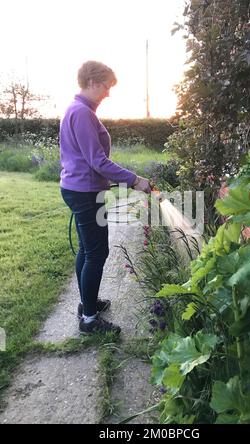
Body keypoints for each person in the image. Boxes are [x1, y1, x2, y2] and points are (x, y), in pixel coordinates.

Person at [59, 60, 151, 335]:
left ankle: (88, 304)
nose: (108, 93)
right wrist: (134, 180)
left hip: (80, 188)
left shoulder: (78, 110)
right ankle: (89, 319)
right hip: (84, 192)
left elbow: (91, 160)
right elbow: (97, 160)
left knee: (89, 250)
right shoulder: (82, 113)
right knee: (97, 252)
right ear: (92, 82)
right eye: (106, 87)